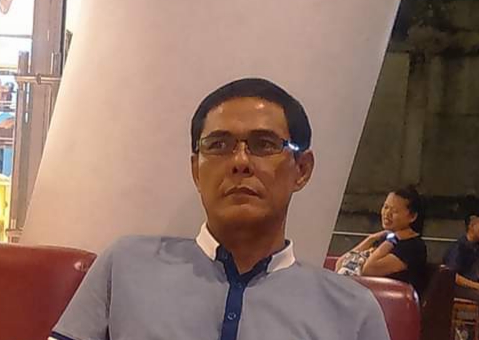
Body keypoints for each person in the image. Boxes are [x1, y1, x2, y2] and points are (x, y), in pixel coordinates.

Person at [49, 77, 389, 340]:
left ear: (302, 169)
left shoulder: (351, 309)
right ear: (196, 170)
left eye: (264, 145)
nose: (240, 161)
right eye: (219, 145)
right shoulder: (126, 265)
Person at [336, 187, 427, 295]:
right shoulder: (383, 237)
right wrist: (371, 239)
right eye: (385, 207)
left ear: (412, 216)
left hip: (386, 300)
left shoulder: (413, 246)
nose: (387, 213)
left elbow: (369, 270)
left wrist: (392, 240)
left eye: (394, 211)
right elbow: (340, 264)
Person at [443, 212, 479, 302]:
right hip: (461, 288)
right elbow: (452, 276)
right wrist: (475, 285)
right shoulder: (458, 247)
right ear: (471, 226)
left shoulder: (476, 246)